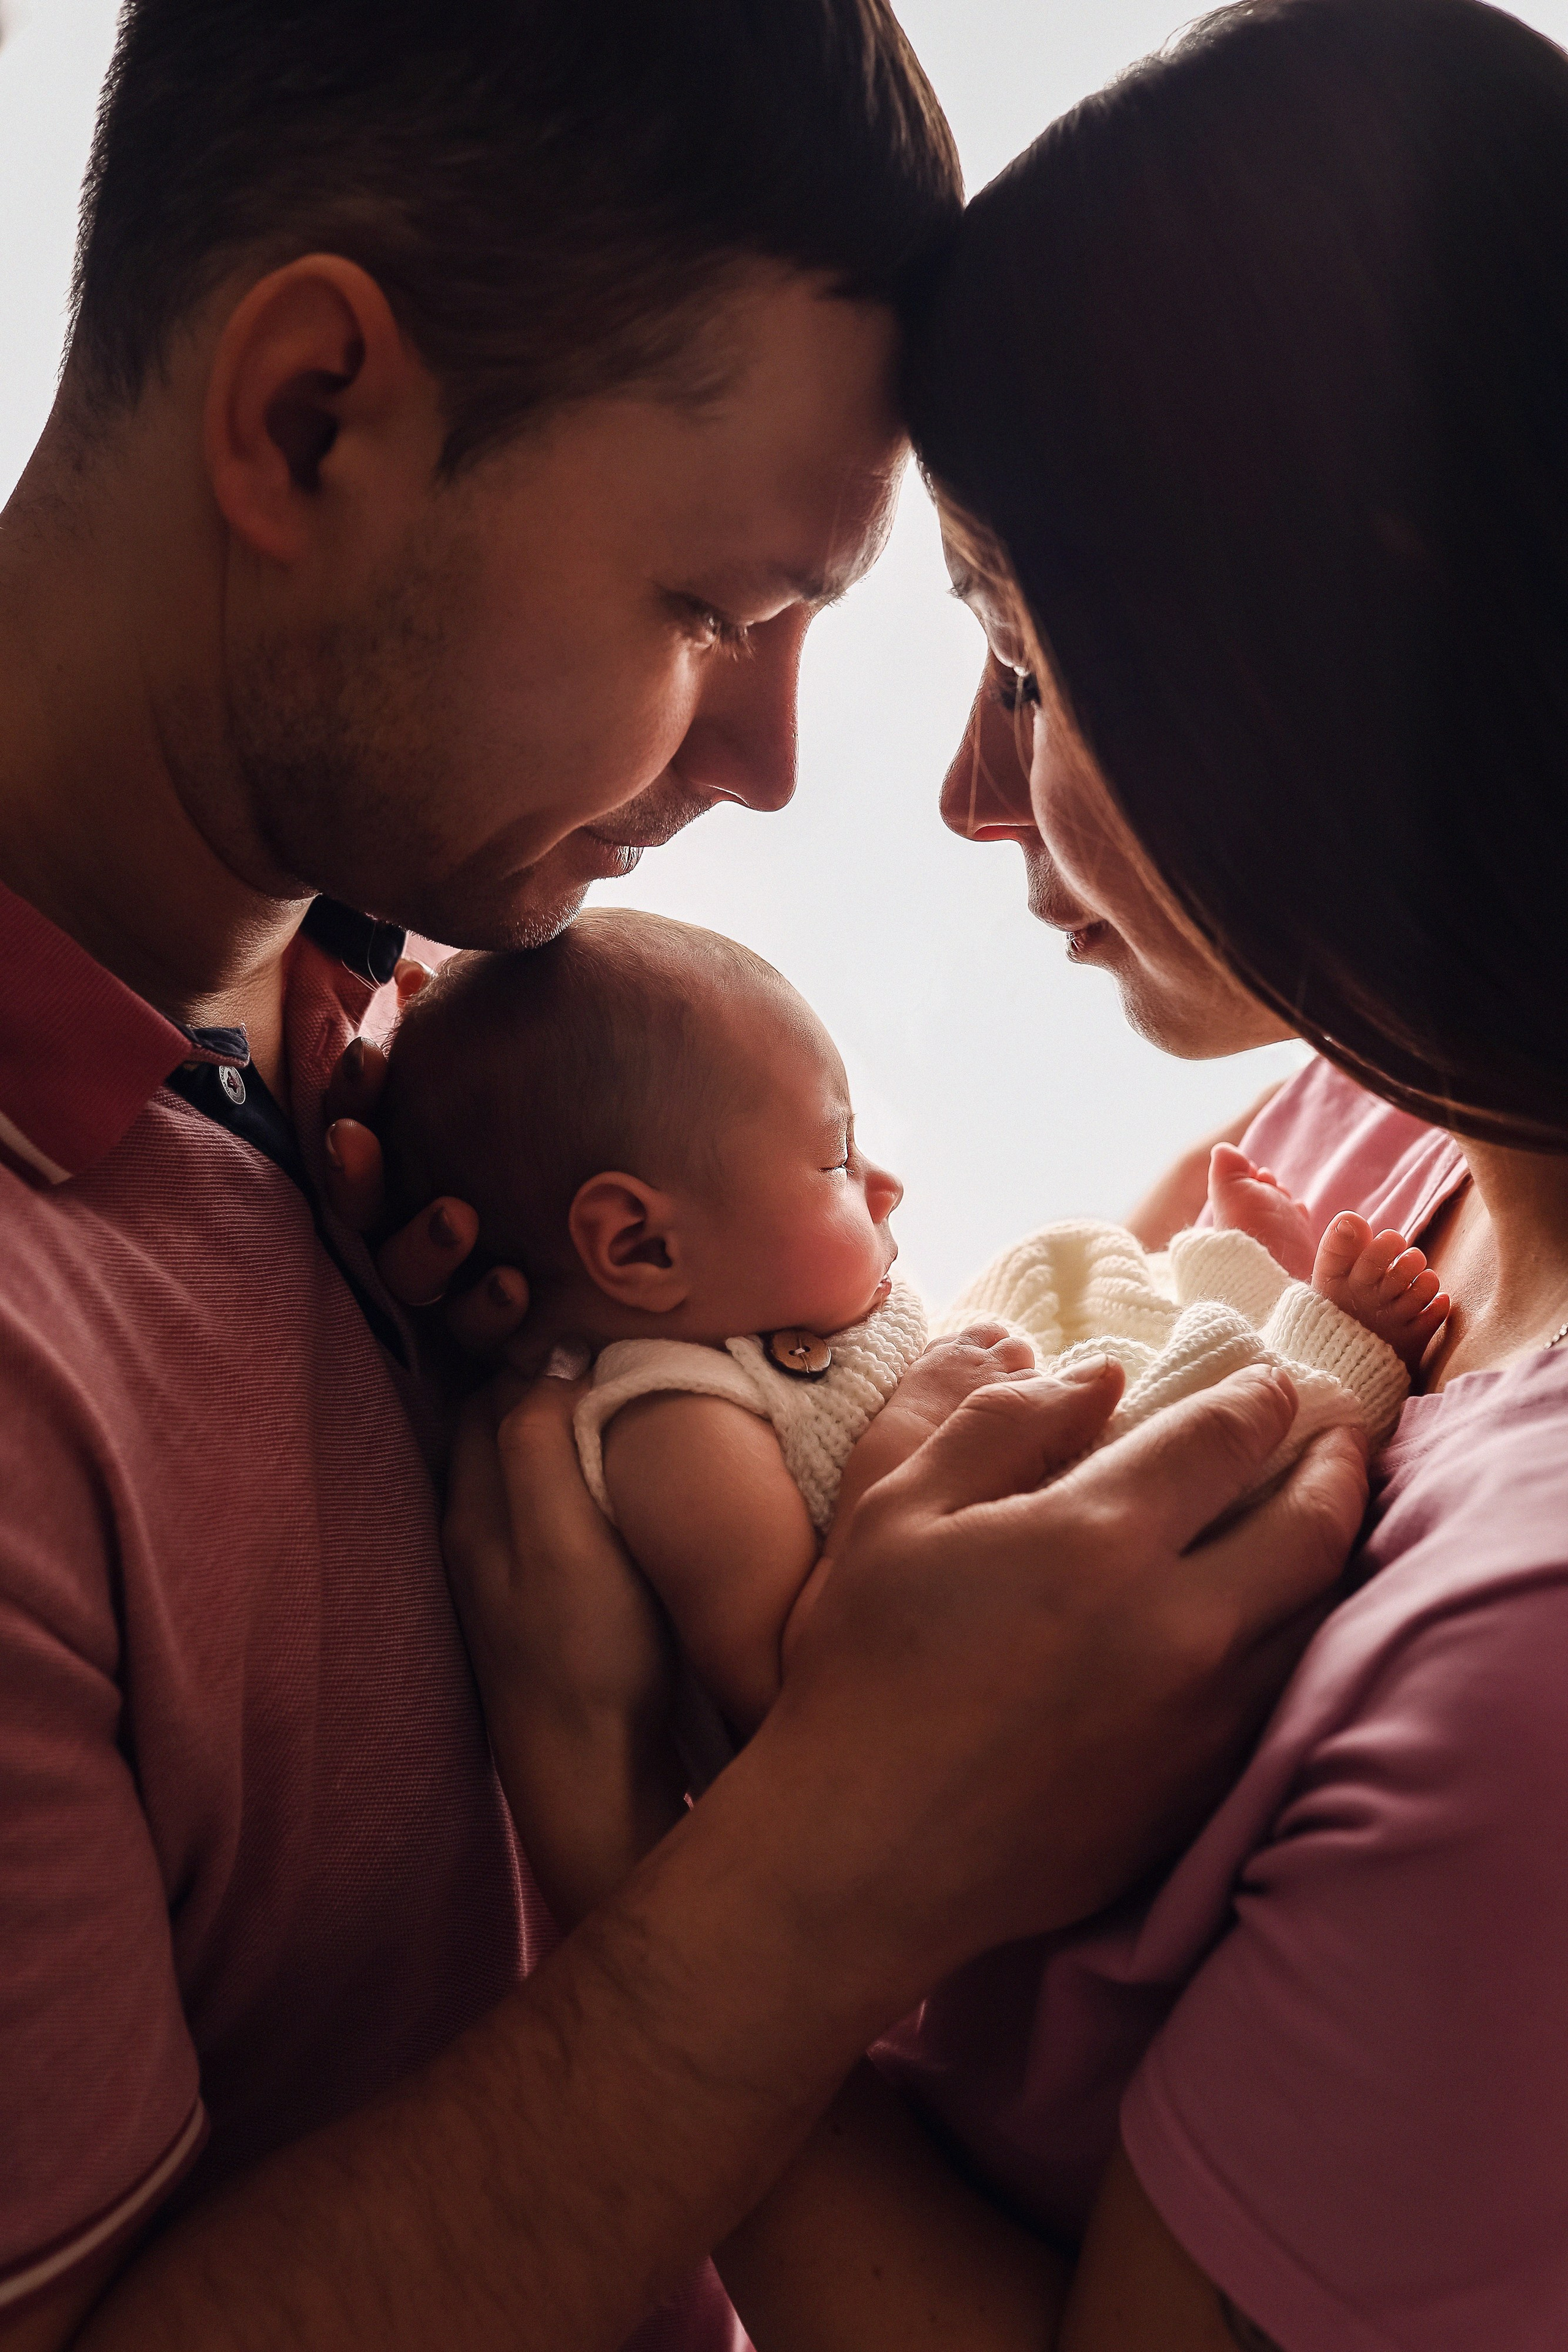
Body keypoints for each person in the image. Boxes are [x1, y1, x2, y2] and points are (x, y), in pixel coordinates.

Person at [0, 4, 1366, 2350]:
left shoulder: (408, 1048)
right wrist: (850, 1844)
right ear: (309, 416)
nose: (770, 762)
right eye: (717, 616)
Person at [878, 0, 1568, 2340]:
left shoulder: (1534, 1673)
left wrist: (620, 1843)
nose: (972, 797)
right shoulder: (1381, 1116)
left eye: (1026, 664)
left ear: (1316, 630)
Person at [380, 910, 1434, 1741]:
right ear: (644, 1249)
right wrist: (908, 1431)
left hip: (972, 1439)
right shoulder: (675, 1425)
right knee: (1158, 1442)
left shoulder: (765, 1317)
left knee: (1060, 1287)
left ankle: (1222, 1274)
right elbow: (802, 1691)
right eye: (838, 1158)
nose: (884, 1185)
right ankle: (1325, 1344)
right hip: (1016, 1657)